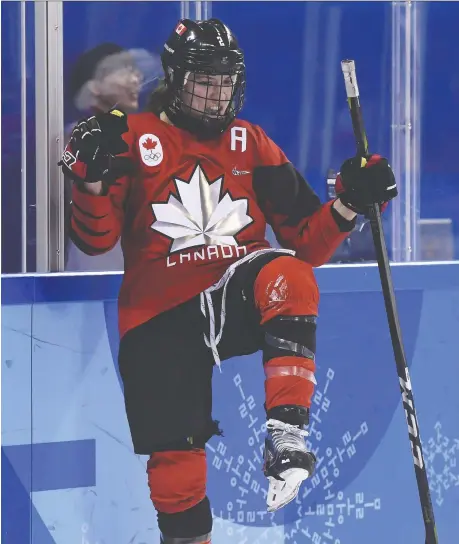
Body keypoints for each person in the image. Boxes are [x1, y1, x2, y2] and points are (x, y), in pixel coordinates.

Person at [60, 18, 397, 544]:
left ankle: (286, 436)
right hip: (158, 314)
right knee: (176, 468)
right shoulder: (131, 132)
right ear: (175, 77)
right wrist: (89, 178)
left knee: (290, 274)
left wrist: (350, 203)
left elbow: (307, 241)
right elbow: (95, 240)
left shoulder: (251, 141)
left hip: (234, 287)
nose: (217, 96)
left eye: (225, 83)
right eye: (205, 81)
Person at [64, 42, 161, 271]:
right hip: (96, 272)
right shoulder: (76, 136)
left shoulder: (145, 138)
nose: (136, 77)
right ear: (93, 86)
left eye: (135, 70)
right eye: (124, 69)